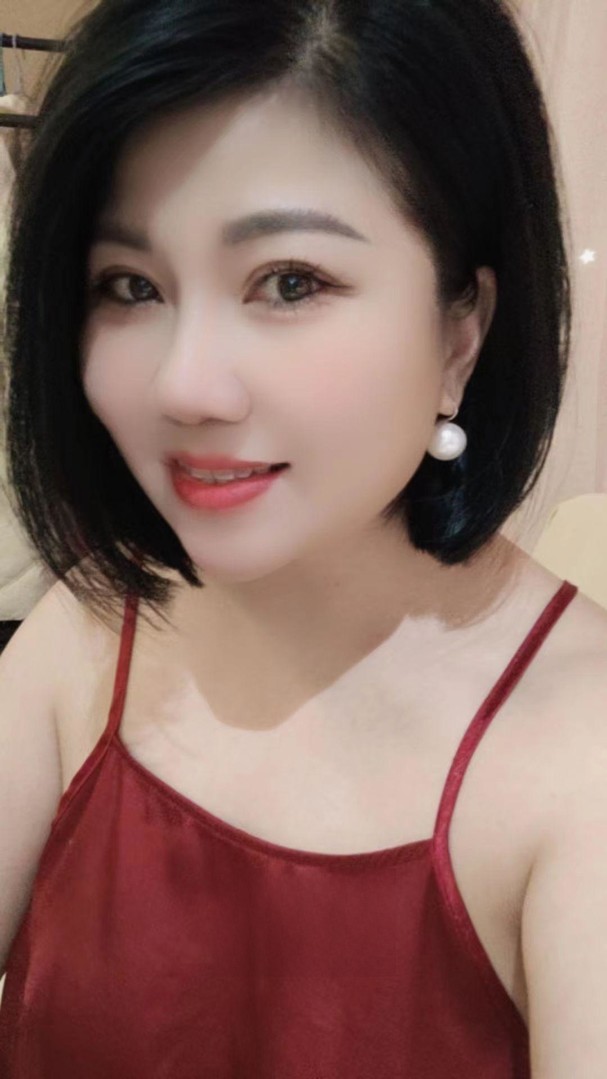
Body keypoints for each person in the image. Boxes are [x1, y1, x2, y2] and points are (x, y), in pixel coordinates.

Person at [0, 0, 606, 1075]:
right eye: (130, 286)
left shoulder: (578, 761)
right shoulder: (85, 631)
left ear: (459, 330)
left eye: (289, 282)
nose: (185, 385)